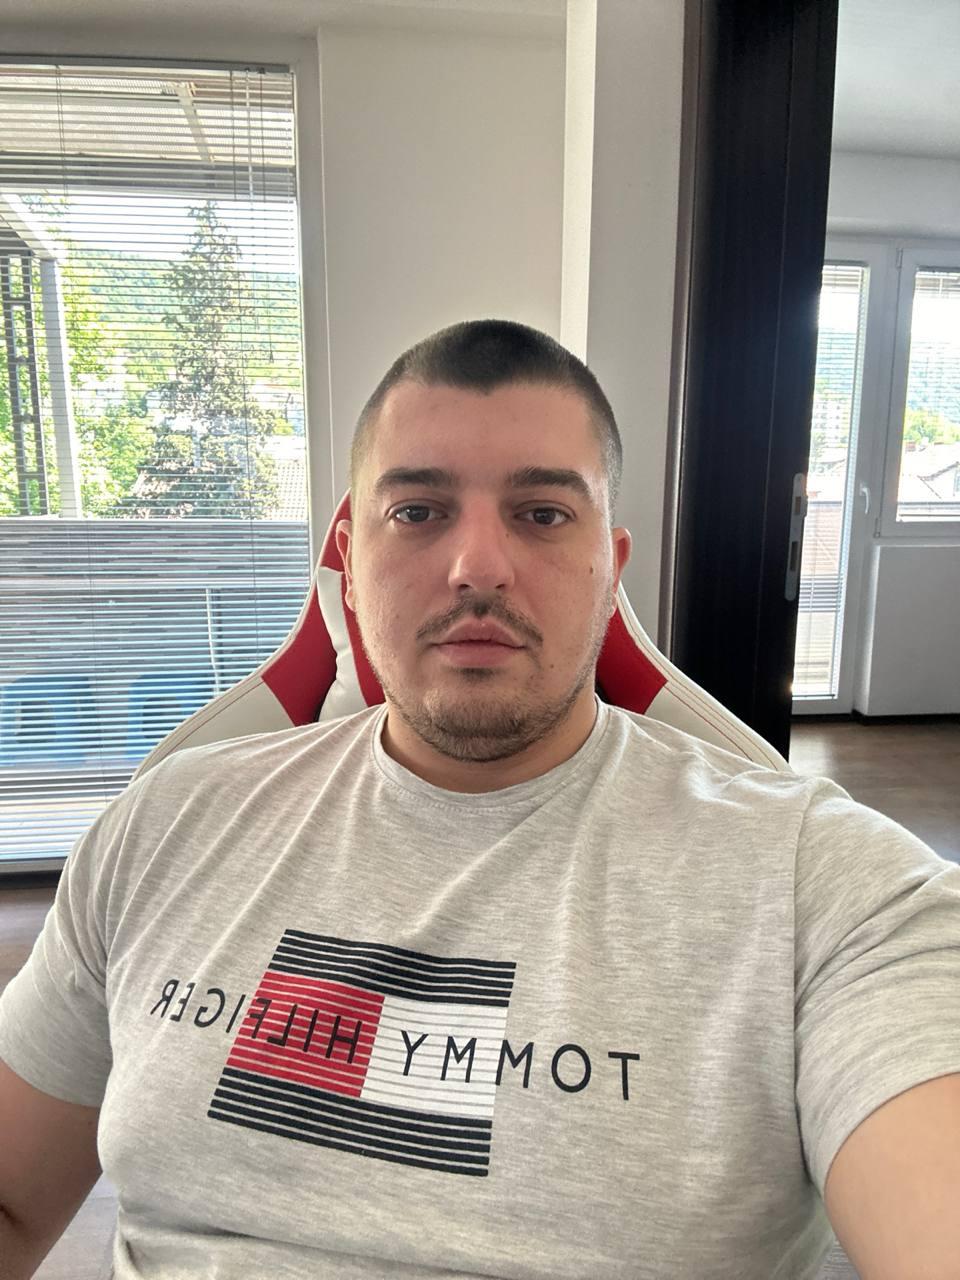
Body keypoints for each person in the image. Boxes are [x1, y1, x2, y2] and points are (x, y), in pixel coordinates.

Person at [1, 319, 958, 1280]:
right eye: (418, 511)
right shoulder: (165, 824)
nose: (477, 567)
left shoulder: (825, 885)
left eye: (542, 513)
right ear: (349, 563)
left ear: (611, 568)